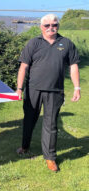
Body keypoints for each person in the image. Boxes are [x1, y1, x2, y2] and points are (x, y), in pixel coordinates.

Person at [16, 13, 80, 172]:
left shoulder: (66, 43)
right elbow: (23, 67)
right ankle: (25, 146)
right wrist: (19, 88)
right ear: (41, 27)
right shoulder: (33, 43)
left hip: (55, 91)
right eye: (47, 25)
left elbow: (73, 67)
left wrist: (77, 87)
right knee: (29, 120)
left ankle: (50, 157)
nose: (51, 28)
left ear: (58, 26)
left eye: (55, 25)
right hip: (33, 90)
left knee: (51, 125)